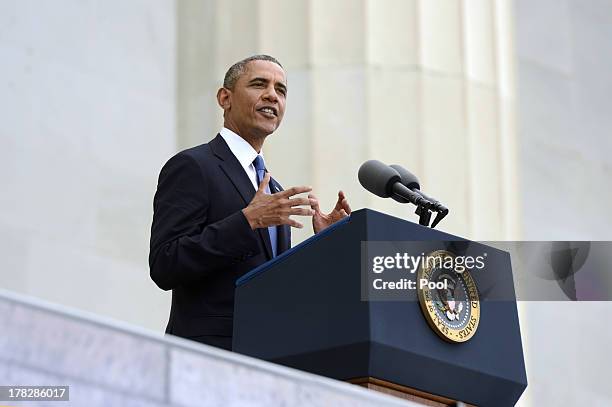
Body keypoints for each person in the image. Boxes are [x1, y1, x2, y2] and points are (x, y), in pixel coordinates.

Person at [149, 55, 351, 351]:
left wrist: (324, 246)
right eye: (259, 84)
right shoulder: (194, 165)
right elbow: (165, 264)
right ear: (225, 98)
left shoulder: (273, 191)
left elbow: (278, 288)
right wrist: (246, 222)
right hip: (206, 355)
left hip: (266, 359)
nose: (272, 95)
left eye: (281, 90)